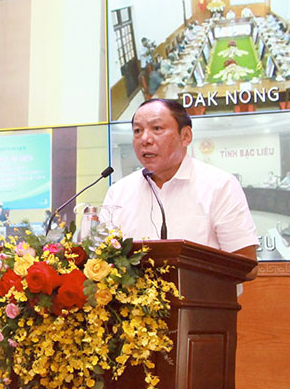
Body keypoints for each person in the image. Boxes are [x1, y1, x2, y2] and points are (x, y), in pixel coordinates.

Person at [103, 98, 259, 278]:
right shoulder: (119, 192)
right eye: (137, 131)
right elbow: (103, 258)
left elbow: (248, 266)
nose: (145, 139)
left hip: (203, 302)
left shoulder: (219, 185)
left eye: (157, 128)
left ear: (185, 136)